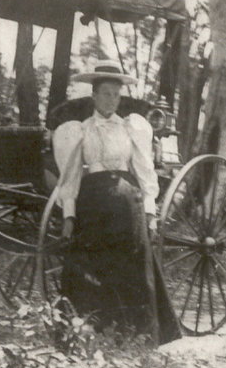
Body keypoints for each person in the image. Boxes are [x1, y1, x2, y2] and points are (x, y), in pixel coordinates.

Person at [52, 59, 180, 344]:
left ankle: (137, 334)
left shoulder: (131, 128)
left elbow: (145, 170)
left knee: (131, 265)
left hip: (127, 204)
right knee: (92, 267)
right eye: (106, 93)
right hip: (93, 203)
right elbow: (70, 177)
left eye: (116, 94)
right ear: (94, 95)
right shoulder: (80, 130)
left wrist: (149, 212)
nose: (112, 100)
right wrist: (69, 216)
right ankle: (90, 332)